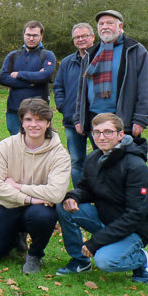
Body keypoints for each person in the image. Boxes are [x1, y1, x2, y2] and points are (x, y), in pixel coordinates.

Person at [0, 99, 72, 274]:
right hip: (9, 205)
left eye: (40, 120)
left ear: (48, 123)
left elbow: (56, 193)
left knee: (42, 217)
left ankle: (35, 255)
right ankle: (15, 238)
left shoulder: (59, 154)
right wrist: (30, 198)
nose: (34, 124)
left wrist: (16, 185)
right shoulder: (6, 146)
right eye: (29, 119)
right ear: (22, 122)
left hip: (39, 210)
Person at [56, 113, 148, 282]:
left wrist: (95, 242)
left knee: (105, 261)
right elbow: (86, 188)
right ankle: (80, 261)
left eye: (108, 132)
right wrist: (74, 196)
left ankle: (140, 260)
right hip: (105, 219)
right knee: (64, 207)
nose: (101, 137)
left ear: (120, 135)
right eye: (97, 132)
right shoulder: (94, 158)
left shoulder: (136, 166)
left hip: (133, 230)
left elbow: (135, 215)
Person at [74, 10, 148, 155]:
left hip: (122, 120)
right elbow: (82, 89)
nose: (105, 27)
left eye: (109, 23)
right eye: (101, 24)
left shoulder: (135, 50)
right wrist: (78, 118)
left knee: (124, 165)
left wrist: (142, 118)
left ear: (120, 26)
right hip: (96, 119)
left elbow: (146, 87)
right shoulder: (90, 53)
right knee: (102, 163)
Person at [53, 22, 95, 186]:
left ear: (92, 37)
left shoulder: (101, 59)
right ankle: (80, 195)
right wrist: (62, 106)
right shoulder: (67, 62)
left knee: (101, 157)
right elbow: (58, 86)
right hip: (72, 119)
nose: (81, 39)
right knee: (77, 160)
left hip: (96, 119)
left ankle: (101, 196)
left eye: (84, 36)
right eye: (77, 37)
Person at [0, 20, 57, 136]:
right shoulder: (13, 56)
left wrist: (19, 75)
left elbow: (44, 76)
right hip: (14, 110)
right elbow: (3, 78)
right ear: (24, 35)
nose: (31, 38)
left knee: (37, 145)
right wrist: (30, 83)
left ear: (41, 36)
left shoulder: (47, 55)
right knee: (17, 145)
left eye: (35, 35)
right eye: (28, 35)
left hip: (39, 111)